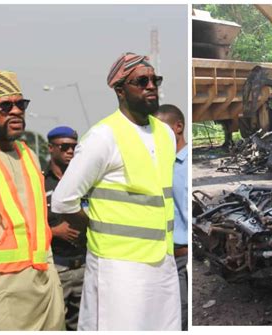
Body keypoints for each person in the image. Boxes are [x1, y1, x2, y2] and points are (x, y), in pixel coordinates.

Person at [51, 52, 181, 331]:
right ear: (120, 90)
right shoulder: (103, 137)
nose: (151, 86)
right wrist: (93, 225)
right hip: (119, 267)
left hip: (162, 260)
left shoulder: (165, 134)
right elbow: (63, 201)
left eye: (154, 79)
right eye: (141, 81)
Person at [0, 70, 65, 330]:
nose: (16, 111)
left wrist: (55, 292)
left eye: (20, 104)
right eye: (5, 106)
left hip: (44, 298)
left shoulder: (28, 154)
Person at [43, 126, 87, 330]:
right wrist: (53, 231)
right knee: (55, 324)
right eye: (64, 147)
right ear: (50, 148)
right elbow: (26, 223)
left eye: (74, 147)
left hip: (85, 264)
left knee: (84, 324)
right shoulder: (39, 182)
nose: (70, 151)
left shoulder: (84, 180)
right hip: (57, 267)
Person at [153, 104, 188, 331]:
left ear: (178, 127)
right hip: (163, 261)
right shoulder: (160, 165)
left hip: (184, 259)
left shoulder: (186, 166)